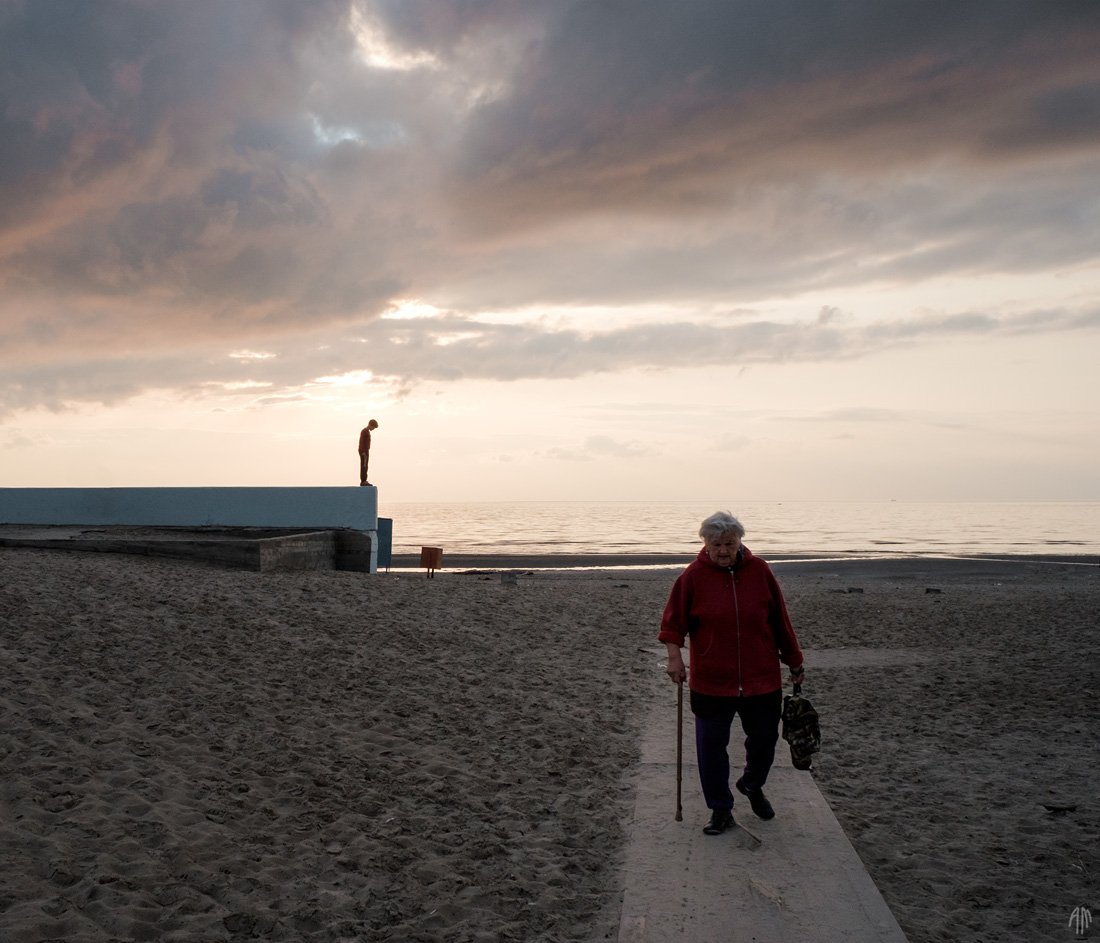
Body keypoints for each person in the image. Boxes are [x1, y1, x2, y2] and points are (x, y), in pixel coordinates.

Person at [659, 511, 805, 835]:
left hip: (761, 679)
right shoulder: (692, 577)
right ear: (705, 544)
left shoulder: (760, 571)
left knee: (765, 741)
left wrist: (795, 661)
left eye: (729, 543)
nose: (723, 550)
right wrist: (674, 659)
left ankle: (752, 784)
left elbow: (780, 621)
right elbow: (672, 625)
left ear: (740, 541)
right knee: (711, 748)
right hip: (711, 681)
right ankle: (720, 809)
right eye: (716, 544)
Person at [358, 419, 379, 486]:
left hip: (366, 451)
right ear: (370, 425)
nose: (373, 429)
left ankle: (364, 480)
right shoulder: (364, 431)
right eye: (373, 427)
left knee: (365, 465)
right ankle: (363, 481)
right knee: (364, 466)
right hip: (364, 451)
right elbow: (361, 442)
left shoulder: (366, 431)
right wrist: (363, 452)